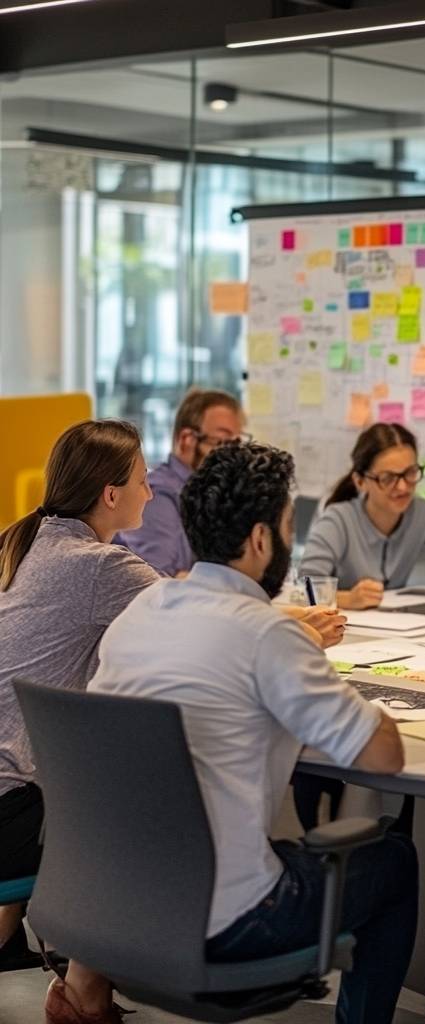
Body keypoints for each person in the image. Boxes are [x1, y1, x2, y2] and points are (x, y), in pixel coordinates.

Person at [89, 441, 418, 1024]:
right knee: (393, 858)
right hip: (226, 924)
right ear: (263, 538)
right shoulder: (267, 634)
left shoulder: (140, 611)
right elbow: (385, 755)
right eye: (290, 525)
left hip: (118, 912)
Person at [0, 419, 160, 1022]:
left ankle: (79, 985)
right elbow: (203, 617)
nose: (151, 492)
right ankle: (85, 992)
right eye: (143, 482)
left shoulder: (26, 543)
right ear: (110, 494)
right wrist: (306, 627)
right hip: (6, 815)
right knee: (141, 807)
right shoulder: (97, 567)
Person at [301, 423, 425, 610]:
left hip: (395, 628)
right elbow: (303, 588)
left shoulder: (423, 514)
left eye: (410, 473)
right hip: (340, 627)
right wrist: (348, 599)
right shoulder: (337, 520)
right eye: (388, 478)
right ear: (360, 481)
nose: (403, 487)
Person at [117, 388, 245, 577]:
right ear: (186, 440)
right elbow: (158, 583)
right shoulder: (155, 495)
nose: (232, 456)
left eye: (236, 445)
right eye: (222, 443)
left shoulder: (212, 496)